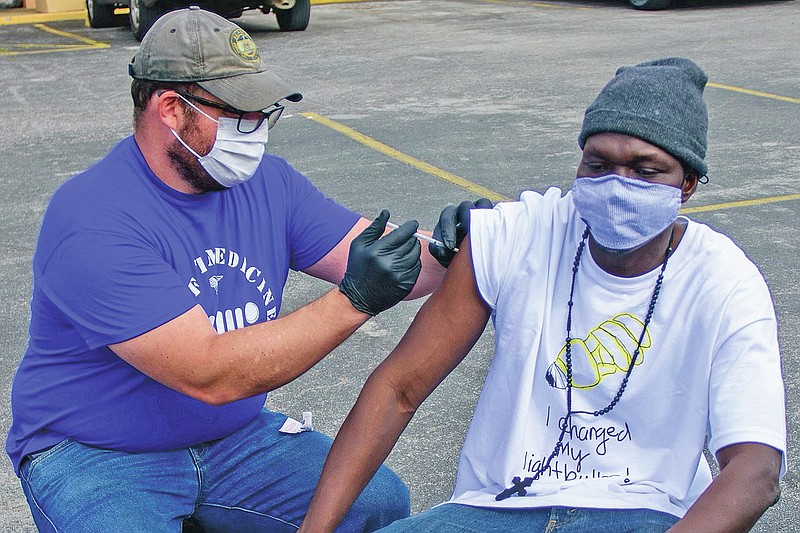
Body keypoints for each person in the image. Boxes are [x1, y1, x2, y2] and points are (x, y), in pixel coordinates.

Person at [5, 7, 487, 532]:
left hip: (231, 440)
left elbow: (373, 257)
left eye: (264, 112)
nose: (256, 130)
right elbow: (210, 375)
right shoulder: (94, 219)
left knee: (374, 501)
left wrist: (457, 250)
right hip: (96, 452)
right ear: (171, 107)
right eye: (240, 113)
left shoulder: (266, 184)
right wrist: (353, 301)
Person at [298, 57, 788, 533]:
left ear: (687, 184)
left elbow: (756, 469)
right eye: (598, 164)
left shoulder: (725, 280)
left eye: (645, 169)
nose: (617, 185)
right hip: (497, 509)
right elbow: (398, 389)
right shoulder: (513, 234)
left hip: (644, 512)